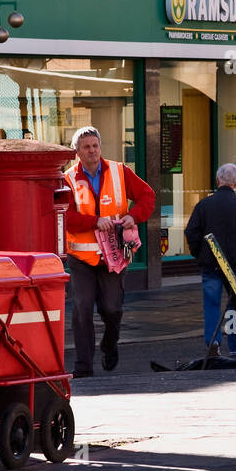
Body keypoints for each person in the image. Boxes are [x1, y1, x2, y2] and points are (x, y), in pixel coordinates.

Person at [64, 126, 154, 376]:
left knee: (112, 309)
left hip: (114, 256)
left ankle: (109, 344)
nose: (92, 151)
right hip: (81, 258)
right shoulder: (68, 179)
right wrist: (94, 221)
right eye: (86, 147)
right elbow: (66, 216)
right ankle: (84, 366)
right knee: (82, 308)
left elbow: (147, 196)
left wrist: (132, 217)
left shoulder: (119, 171)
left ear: (100, 147)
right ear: (77, 152)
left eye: (95, 146)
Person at [184, 163, 236, 356]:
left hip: (210, 264)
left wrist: (199, 253)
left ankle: (213, 343)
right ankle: (235, 346)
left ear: (218, 180)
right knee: (235, 306)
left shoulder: (204, 205)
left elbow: (191, 232)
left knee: (211, 304)